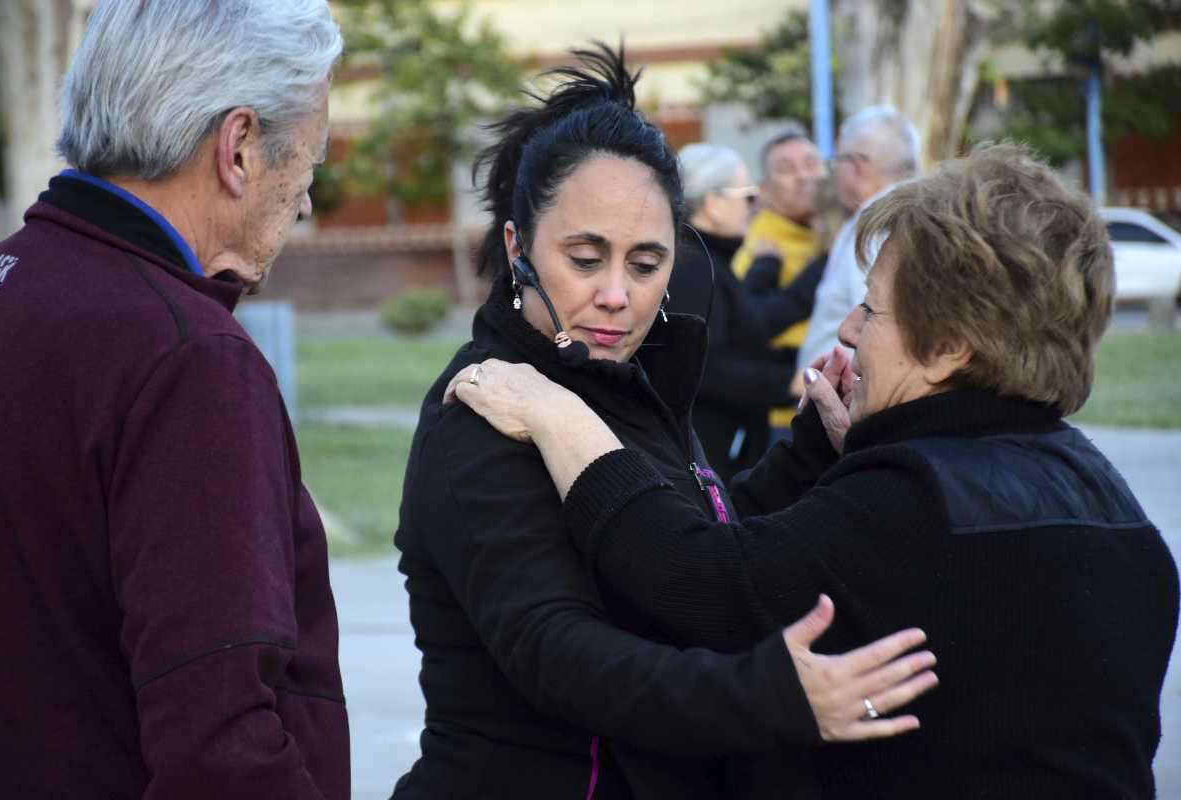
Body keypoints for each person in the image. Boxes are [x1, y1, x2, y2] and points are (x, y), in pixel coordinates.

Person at [448, 143, 1180, 797]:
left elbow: (694, 580)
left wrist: (561, 418)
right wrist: (828, 452)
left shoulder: (915, 499)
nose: (850, 330)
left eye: (873, 310)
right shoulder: (1107, 495)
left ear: (952, 346)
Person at [393, 45, 937, 800]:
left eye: (645, 264)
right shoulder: (485, 406)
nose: (617, 295)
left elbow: (686, 548)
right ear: (517, 246)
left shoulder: (630, 375)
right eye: (585, 259)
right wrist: (771, 695)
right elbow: (561, 653)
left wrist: (811, 445)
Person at [0, 2, 348, 798]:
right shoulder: (188, 358)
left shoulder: (1, 285)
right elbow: (219, 749)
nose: (305, 202)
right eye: (308, 165)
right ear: (240, 146)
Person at [669, 143, 824, 478]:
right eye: (747, 196)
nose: (755, 208)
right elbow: (704, 367)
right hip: (712, 457)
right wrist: (788, 382)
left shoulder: (709, 261)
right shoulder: (693, 267)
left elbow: (743, 330)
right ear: (713, 203)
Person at [794, 106, 920, 381]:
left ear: (858, 165)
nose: (833, 173)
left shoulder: (874, 224)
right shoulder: (913, 216)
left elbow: (873, 320)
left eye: (836, 161)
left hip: (848, 400)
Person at [731, 126, 826, 433]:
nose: (803, 176)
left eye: (811, 164)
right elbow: (747, 329)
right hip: (786, 421)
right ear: (765, 189)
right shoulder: (758, 249)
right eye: (786, 169)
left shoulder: (830, 235)